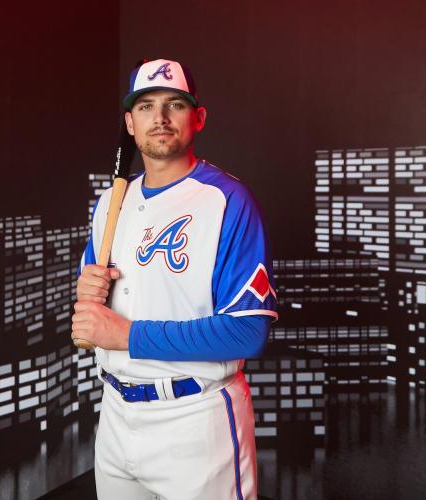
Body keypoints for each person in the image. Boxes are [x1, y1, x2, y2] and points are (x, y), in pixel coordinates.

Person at [72, 58, 277, 500]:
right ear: (130, 122)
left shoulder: (227, 200)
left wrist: (125, 334)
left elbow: (248, 331)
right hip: (115, 415)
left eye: (174, 105)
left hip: (195, 420)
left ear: (197, 117)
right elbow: (97, 300)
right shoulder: (111, 201)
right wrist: (86, 292)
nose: (159, 118)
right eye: (145, 106)